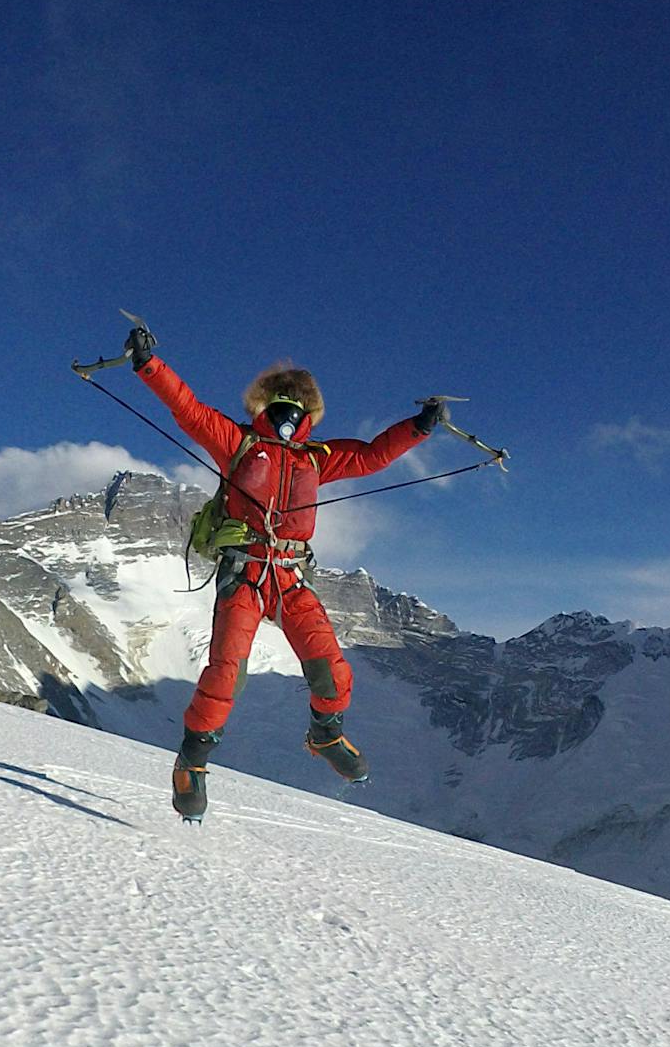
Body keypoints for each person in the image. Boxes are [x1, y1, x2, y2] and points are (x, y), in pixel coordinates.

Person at [124, 324, 446, 820]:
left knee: (331, 668)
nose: (289, 411)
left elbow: (373, 456)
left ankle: (324, 735)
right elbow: (186, 409)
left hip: (290, 576)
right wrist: (149, 365)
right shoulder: (238, 442)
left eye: (296, 403)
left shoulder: (316, 458)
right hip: (247, 574)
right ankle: (192, 760)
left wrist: (418, 427)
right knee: (226, 673)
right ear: (264, 404)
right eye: (282, 400)